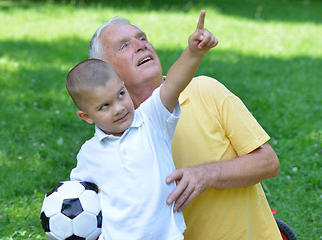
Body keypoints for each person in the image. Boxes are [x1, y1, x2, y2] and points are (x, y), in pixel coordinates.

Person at [88, 11, 282, 240]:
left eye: (142, 38)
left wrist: (206, 175)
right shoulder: (111, 143)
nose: (141, 46)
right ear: (106, 74)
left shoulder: (205, 90)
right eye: (124, 46)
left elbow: (268, 162)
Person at [66, 11, 217, 240]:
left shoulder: (151, 120)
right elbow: (74, 202)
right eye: (104, 106)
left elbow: (174, 82)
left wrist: (194, 52)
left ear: (124, 86)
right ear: (86, 116)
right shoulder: (89, 154)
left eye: (120, 94)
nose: (118, 108)